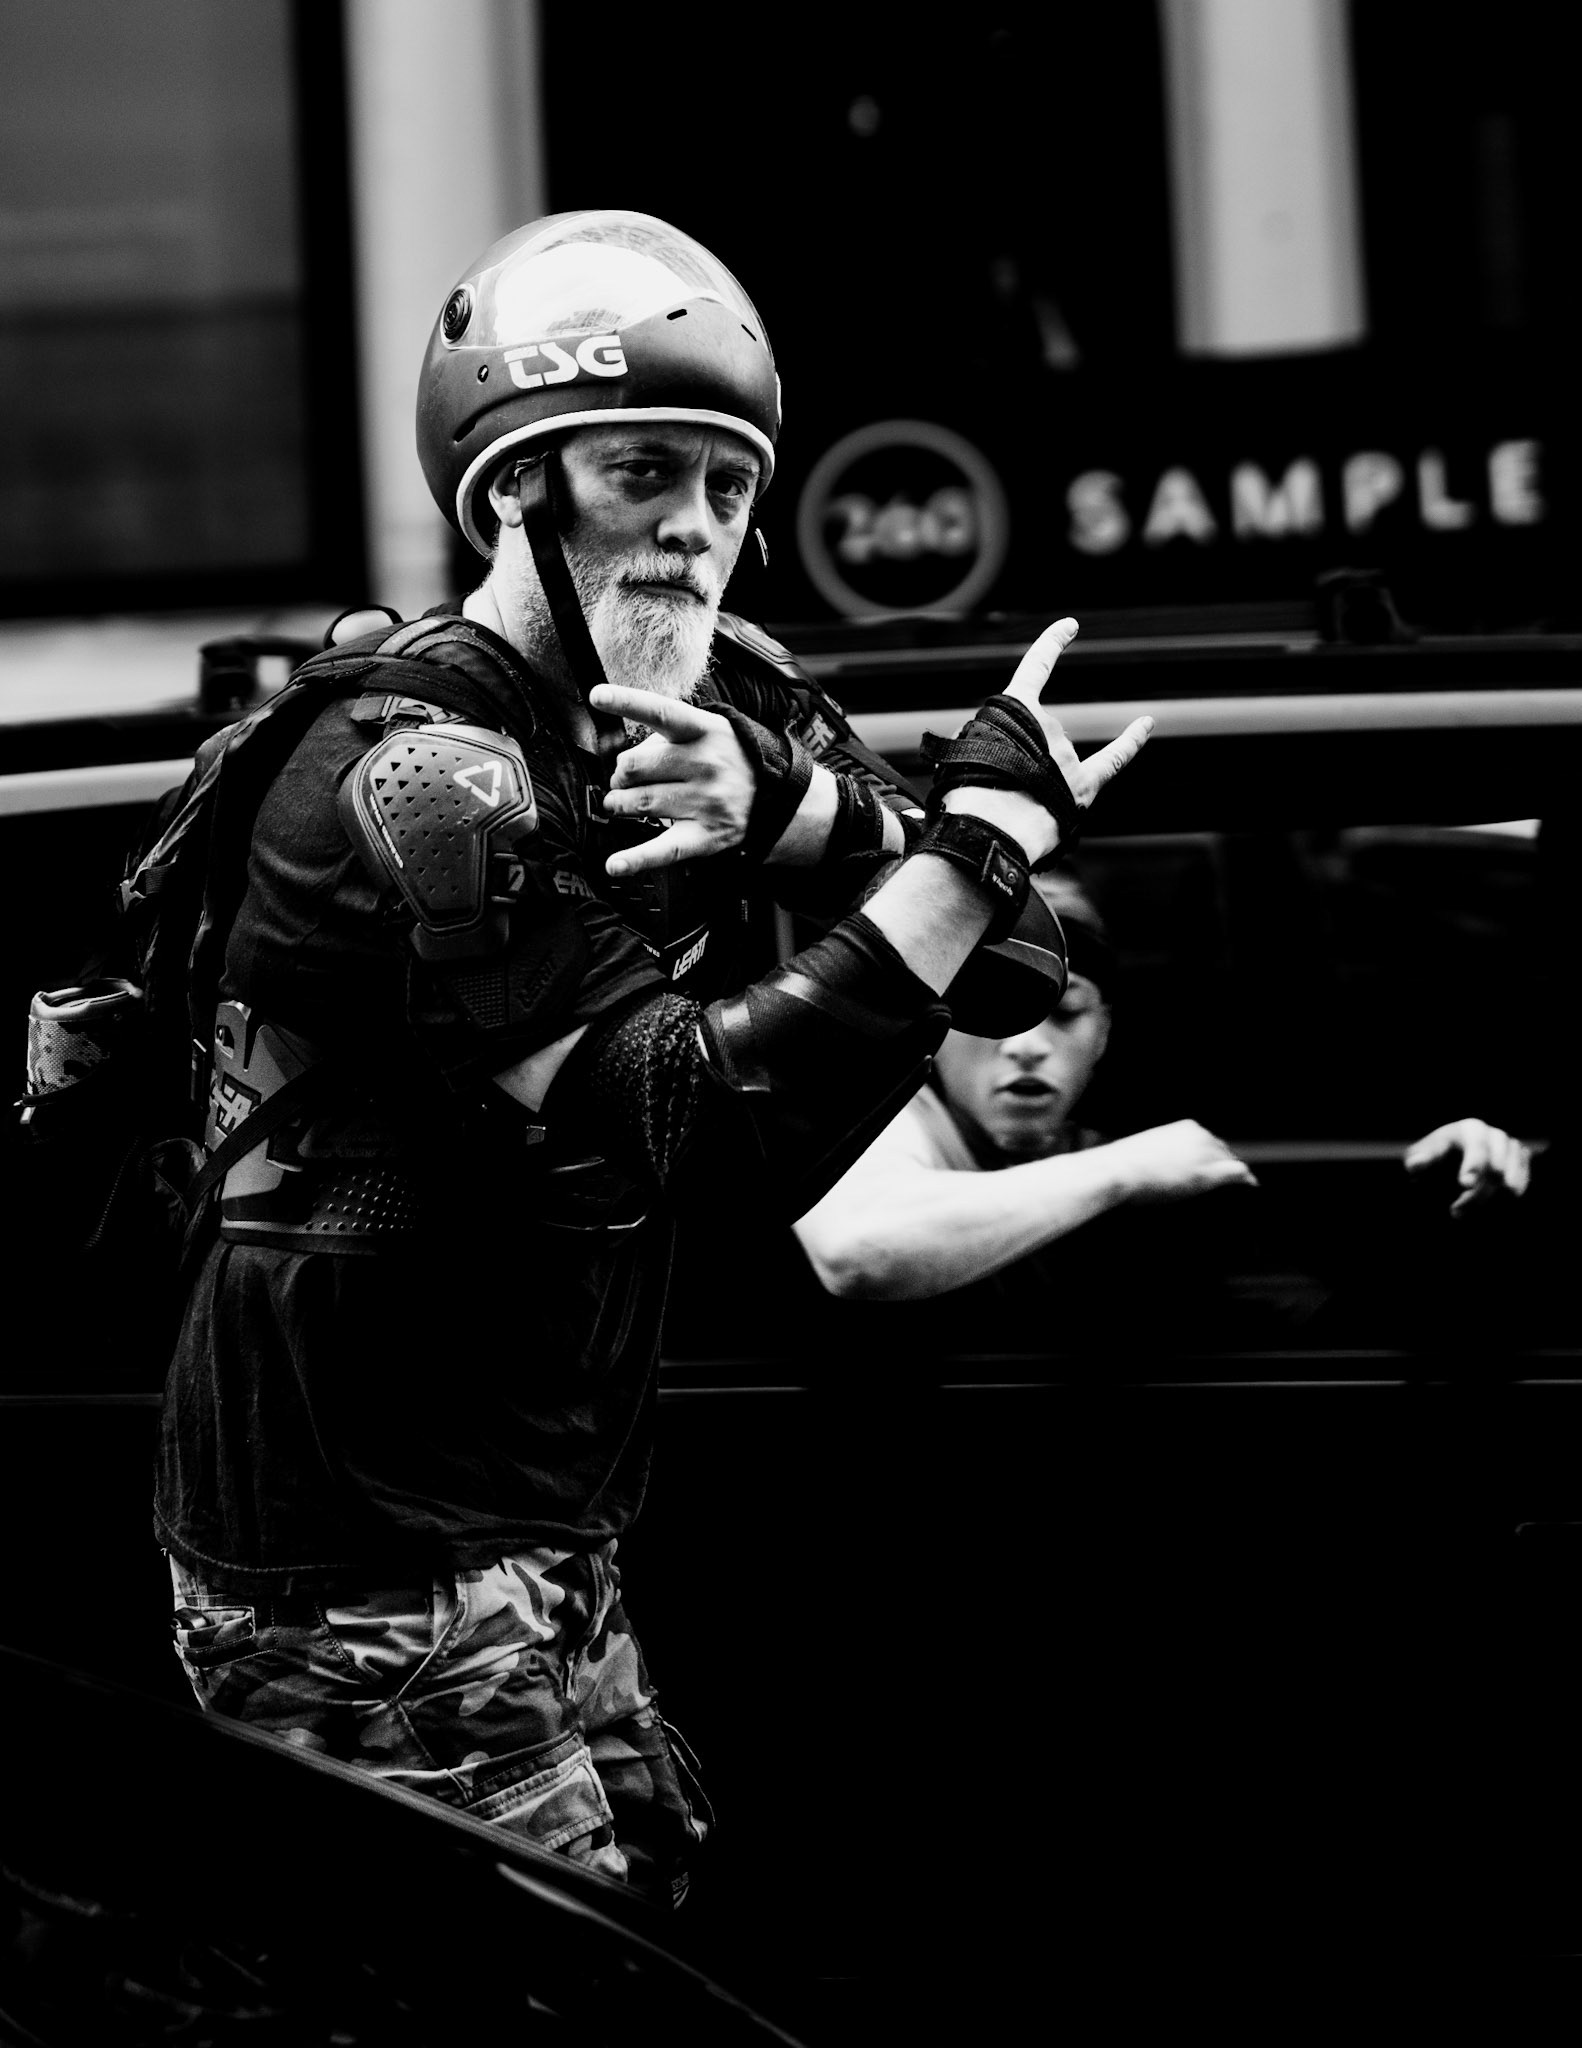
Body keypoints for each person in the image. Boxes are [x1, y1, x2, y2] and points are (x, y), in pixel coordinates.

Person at [152, 208, 1151, 1905]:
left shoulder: (725, 695)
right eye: (639, 474)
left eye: (727, 487)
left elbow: (1016, 975)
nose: (694, 532)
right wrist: (964, 836)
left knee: (666, 1917)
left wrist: (799, 810)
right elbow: (686, 1124)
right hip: (356, 1557)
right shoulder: (406, 774)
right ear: (509, 494)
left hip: (542, 1521)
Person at [793, 871, 1532, 1352]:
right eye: (991, 1014)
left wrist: (1436, 1211)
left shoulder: (1140, 1191)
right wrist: (1128, 1168)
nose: (1025, 1046)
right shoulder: (873, 1114)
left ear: (1104, 1034)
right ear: (936, 1022)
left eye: (1065, 1015)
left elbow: (1302, 1339)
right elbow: (862, 1248)